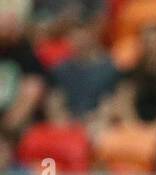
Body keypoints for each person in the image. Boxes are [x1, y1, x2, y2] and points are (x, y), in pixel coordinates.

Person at [46, 20, 117, 131]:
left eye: (82, 37)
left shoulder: (109, 69)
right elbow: (55, 100)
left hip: (96, 121)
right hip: (67, 121)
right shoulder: (60, 69)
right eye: (74, 38)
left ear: (91, 38)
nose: (79, 42)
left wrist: (96, 119)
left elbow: (110, 101)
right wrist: (62, 120)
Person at [0, 1, 48, 136]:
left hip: (12, 124)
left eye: (10, 27)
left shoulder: (25, 54)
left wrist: (7, 126)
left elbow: (34, 88)